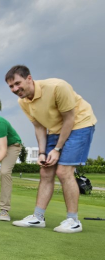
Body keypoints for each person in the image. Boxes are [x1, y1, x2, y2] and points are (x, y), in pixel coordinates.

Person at [5, 65, 97, 233]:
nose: (15, 89)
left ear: (29, 78)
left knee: (63, 172)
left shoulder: (56, 87)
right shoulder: (23, 101)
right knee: (45, 171)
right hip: (55, 129)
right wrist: (41, 153)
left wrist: (57, 149)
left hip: (80, 124)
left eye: (18, 83)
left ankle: (73, 220)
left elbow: (69, 118)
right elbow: (39, 126)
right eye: (11, 86)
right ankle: (38, 218)